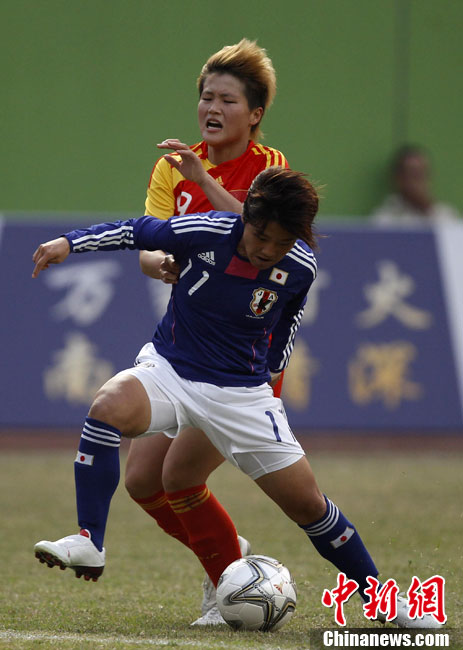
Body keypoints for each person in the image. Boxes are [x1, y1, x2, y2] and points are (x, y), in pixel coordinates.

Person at [32, 167, 440, 630]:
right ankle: (90, 540)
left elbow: (284, 330)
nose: (268, 250)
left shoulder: (300, 267)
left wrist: (267, 377)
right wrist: (68, 243)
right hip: (171, 370)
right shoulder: (206, 231)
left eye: (281, 243)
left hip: (242, 395)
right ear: (246, 217)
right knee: (108, 406)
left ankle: (382, 601)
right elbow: (133, 231)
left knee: (308, 506)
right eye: (261, 236)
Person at [125, 38, 289, 624]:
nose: (211, 108)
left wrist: (203, 182)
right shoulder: (171, 166)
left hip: (242, 362)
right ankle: (231, 558)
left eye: (227, 99)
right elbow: (149, 246)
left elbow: (256, 235)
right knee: (141, 481)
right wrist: (163, 263)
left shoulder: (270, 167)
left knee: (179, 478)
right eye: (206, 97)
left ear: (255, 113)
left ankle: (229, 582)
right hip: (186, 352)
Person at [371, 144, 460, 227]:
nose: (420, 180)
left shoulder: (445, 214)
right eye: (414, 174)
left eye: (423, 173)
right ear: (399, 179)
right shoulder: (385, 218)